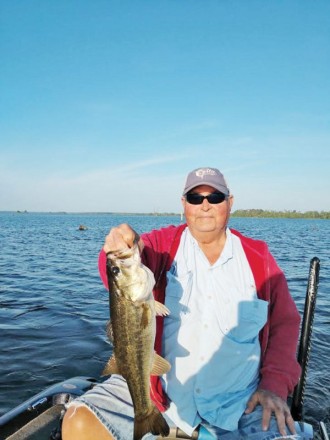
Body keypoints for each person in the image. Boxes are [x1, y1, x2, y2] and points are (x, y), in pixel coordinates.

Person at [62, 167, 304, 440]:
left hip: (240, 405)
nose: (204, 206)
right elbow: (116, 275)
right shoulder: (163, 245)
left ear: (230, 202)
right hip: (159, 394)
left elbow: (285, 326)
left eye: (215, 197)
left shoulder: (259, 258)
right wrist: (120, 248)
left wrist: (274, 386)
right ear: (183, 204)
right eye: (194, 198)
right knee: (78, 420)